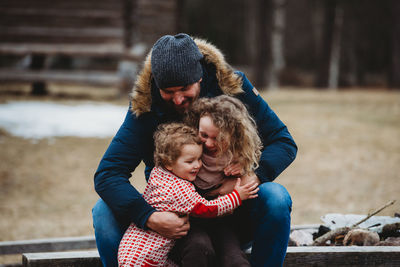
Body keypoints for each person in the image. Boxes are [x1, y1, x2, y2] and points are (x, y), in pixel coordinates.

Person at [93, 33, 297, 267]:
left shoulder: (231, 87)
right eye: (168, 91)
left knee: (276, 197)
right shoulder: (146, 105)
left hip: (232, 214)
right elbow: (108, 174)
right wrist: (148, 216)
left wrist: (251, 177)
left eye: (184, 88)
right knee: (103, 212)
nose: (178, 99)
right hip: (176, 223)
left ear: (199, 77)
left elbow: (283, 141)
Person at [118, 123, 259, 266]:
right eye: (190, 161)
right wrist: (237, 196)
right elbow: (207, 208)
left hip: (136, 252)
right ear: (169, 163)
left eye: (199, 159)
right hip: (144, 258)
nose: (197, 165)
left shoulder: (160, 174)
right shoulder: (178, 189)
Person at [169, 95, 262, 267]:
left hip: (224, 221)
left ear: (233, 134)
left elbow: (253, 167)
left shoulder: (238, 153)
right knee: (199, 247)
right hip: (192, 220)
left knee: (234, 259)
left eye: (218, 138)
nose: (209, 143)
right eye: (204, 135)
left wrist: (243, 172)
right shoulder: (188, 149)